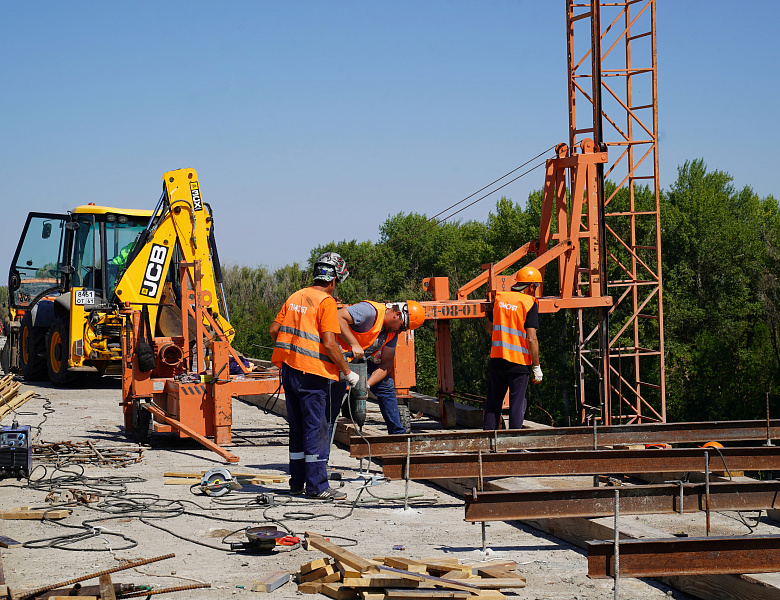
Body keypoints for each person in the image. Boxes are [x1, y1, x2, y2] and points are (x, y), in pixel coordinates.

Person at [269, 252, 360, 500]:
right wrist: (347, 371)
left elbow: (274, 330)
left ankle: (297, 483)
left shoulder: (296, 296)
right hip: (312, 376)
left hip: (289, 371)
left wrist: (290, 352)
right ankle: (318, 487)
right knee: (316, 429)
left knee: (297, 428)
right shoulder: (326, 302)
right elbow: (330, 344)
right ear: (334, 279)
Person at [326, 300, 426, 440]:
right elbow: (337, 317)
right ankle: (321, 450)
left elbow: (385, 366)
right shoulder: (370, 312)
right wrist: (353, 344)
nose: (400, 331)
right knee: (331, 404)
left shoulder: (392, 334)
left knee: (386, 384)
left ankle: (398, 436)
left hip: (357, 363)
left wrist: (366, 385)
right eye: (402, 327)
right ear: (397, 315)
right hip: (334, 361)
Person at [483, 266, 543, 430]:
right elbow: (531, 338)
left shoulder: (500, 299)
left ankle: (488, 443)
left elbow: (489, 328)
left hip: (497, 359)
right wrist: (536, 367)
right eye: (536, 287)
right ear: (530, 286)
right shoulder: (529, 303)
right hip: (518, 362)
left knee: (493, 402)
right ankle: (514, 447)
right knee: (517, 403)